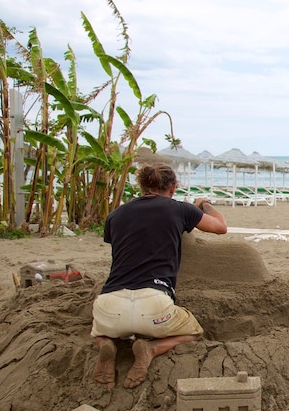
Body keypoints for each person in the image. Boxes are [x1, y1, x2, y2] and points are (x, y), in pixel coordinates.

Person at [91, 163, 227, 389]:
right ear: (173, 188)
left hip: (110, 302)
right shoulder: (180, 209)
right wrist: (204, 204)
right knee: (194, 332)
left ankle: (106, 342)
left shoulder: (115, 215)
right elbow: (221, 227)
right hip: (155, 305)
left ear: (142, 186)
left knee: (98, 328)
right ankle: (151, 349)